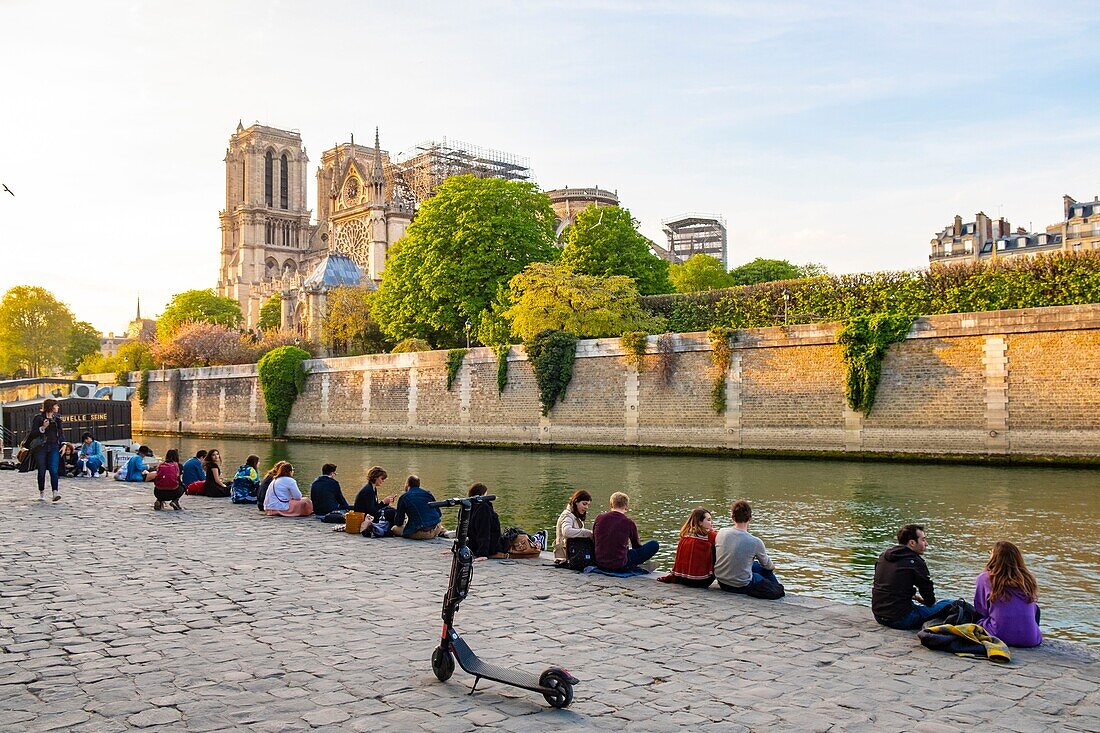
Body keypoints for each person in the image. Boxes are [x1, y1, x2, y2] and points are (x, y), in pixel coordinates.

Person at [872, 524, 952, 630]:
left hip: (879, 615)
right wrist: (925, 600)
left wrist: (913, 595)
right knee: (951, 604)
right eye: (923, 540)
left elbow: (890, 584)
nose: (926, 544)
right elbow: (930, 600)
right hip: (901, 619)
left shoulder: (883, 557)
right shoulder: (915, 562)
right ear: (912, 543)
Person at [974, 541, 1042, 647]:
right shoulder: (1029, 580)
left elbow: (980, 608)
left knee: (970, 613)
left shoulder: (985, 578)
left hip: (998, 636)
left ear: (994, 558)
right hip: (1031, 640)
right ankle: (1026, 632)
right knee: (1035, 608)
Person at [714, 500, 783, 597]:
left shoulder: (721, 532)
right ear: (750, 518)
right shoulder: (755, 542)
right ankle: (778, 588)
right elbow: (768, 566)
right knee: (764, 571)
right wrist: (772, 567)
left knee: (755, 565)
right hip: (741, 585)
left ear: (732, 517)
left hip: (722, 581)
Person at [592, 492, 659, 572]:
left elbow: (594, 539)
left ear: (611, 504)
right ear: (626, 506)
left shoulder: (599, 518)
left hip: (600, 563)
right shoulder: (628, 522)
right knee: (654, 544)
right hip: (619, 565)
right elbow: (636, 546)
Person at [659, 507, 717, 588]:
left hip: (681, 578)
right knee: (717, 548)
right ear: (700, 522)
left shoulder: (685, 534)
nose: (712, 522)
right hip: (701, 581)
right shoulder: (709, 535)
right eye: (709, 520)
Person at [25, 398, 64, 502]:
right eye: (56, 405)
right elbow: (32, 433)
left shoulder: (57, 418)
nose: (58, 407)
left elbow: (61, 433)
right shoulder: (38, 418)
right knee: (41, 470)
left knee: (53, 469)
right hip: (41, 447)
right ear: (51, 407)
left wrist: (63, 443)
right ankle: (41, 492)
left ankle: (55, 492)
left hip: (54, 446)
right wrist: (43, 427)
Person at [390, 475, 447, 539]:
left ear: (407, 484)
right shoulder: (428, 494)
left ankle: (429, 533)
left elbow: (398, 522)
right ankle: (444, 532)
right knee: (432, 522)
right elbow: (439, 514)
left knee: (394, 529)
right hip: (436, 529)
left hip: (422, 533)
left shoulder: (404, 497)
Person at [553, 490, 593, 564]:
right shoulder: (567, 515)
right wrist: (587, 533)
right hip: (565, 555)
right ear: (576, 502)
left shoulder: (574, 515)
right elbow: (566, 532)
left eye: (588, 505)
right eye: (584, 504)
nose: (586, 507)